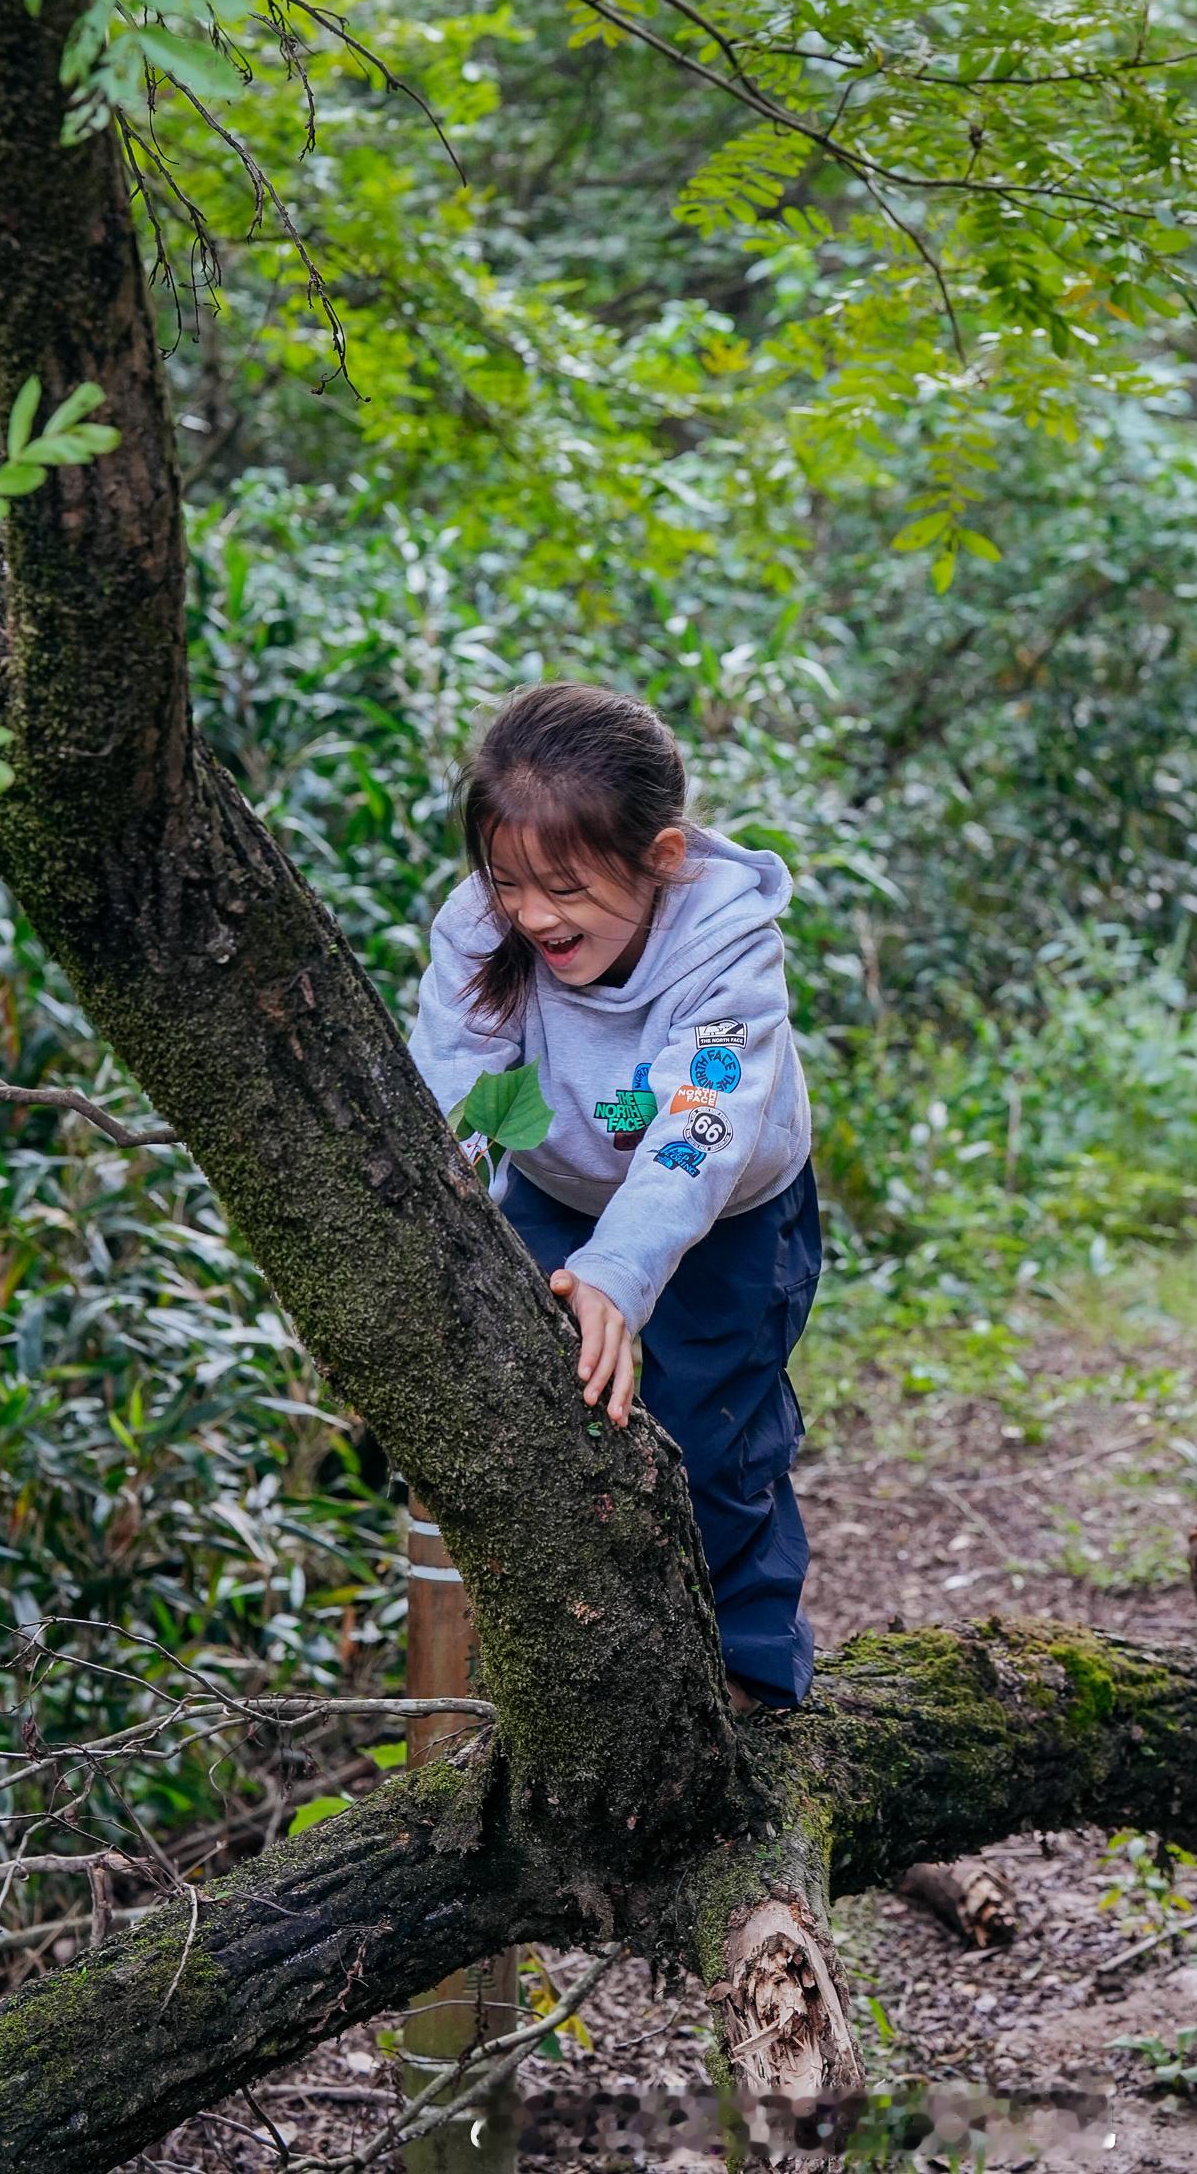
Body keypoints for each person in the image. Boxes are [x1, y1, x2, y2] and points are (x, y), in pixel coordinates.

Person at [408, 680, 821, 1711]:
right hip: (556, 1188)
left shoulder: (726, 947)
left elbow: (695, 1134)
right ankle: (583, 1678)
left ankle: (749, 1676)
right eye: (507, 881)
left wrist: (618, 1272)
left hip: (724, 1214)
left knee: (708, 1431)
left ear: (660, 860)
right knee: (549, 1423)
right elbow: (451, 1084)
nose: (532, 914)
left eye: (564, 887)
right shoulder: (482, 924)